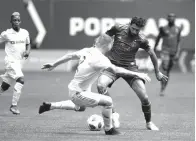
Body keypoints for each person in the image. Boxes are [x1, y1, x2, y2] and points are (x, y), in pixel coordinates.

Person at [38, 34, 151, 135]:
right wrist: (138, 74)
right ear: (108, 45)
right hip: (78, 93)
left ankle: (49, 106)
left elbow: (70, 56)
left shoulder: (87, 50)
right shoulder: (100, 59)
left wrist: (54, 64)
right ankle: (109, 130)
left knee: (80, 108)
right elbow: (116, 70)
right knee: (108, 102)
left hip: (75, 89)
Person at [97, 16, 168, 131]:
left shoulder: (142, 39)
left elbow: (152, 54)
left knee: (144, 97)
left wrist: (157, 71)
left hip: (130, 68)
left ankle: (149, 123)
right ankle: (114, 114)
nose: (135, 31)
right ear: (130, 24)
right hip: (112, 66)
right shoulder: (118, 28)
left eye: (137, 30)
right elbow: (104, 38)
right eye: (133, 28)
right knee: (100, 85)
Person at [0, 12, 31, 115]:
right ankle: (14, 106)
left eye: (18, 20)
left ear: (20, 21)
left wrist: (27, 51)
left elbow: (28, 44)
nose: (16, 22)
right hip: (10, 62)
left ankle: (13, 104)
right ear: (11, 21)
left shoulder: (25, 32)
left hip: (19, 63)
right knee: (21, 80)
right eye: (14, 20)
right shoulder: (6, 34)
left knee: (4, 86)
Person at [154, 13, 183, 96]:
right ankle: (162, 88)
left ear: (175, 19)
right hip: (165, 51)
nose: (171, 18)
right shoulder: (163, 29)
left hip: (173, 53)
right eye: (169, 17)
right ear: (167, 19)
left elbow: (179, 42)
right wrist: (154, 48)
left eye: (172, 17)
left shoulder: (178, 29)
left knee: (168, 71)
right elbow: (158, 39)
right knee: (165, 68)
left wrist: (177, 53)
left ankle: (163, 87)